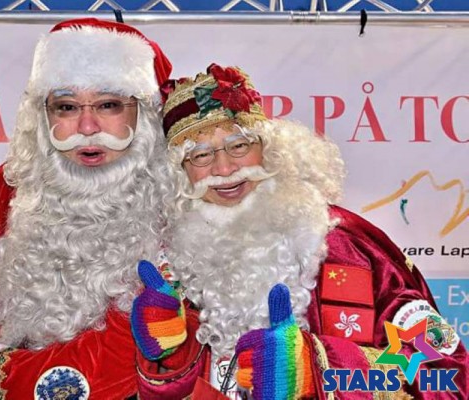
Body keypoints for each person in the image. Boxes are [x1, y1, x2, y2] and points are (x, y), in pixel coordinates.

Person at [131, 63, 468, 399]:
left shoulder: (351, 246)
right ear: (179, 173)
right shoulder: (174, 261)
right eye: (201, 155)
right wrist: (172, 360)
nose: (224, 168)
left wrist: (316, 370)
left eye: (239, 146)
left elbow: (447, 377)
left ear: (269, 149)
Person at [0, 18, 172, 399]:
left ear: (143, 112)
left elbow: (137, 349)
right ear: (44, 114)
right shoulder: (17, 181)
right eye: (66, 107)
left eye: (108, 105)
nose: (87, 126)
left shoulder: (173, 191)